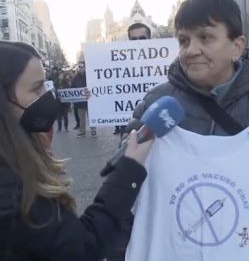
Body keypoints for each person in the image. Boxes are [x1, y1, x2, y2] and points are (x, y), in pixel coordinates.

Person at [109, 0, 249, 260]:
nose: (191, 50)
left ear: (237, 47)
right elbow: (126, 192)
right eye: (184, 40)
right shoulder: (156, 102)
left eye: (205, 37)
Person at [0, 41, 153, 261]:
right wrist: (128, 171)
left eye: (46, 85)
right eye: (37, 87)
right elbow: (82, 248)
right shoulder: (8, 187)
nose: (48, 95)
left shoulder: (18, 152)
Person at [114, 23, 151, 137]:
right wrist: (92, 96)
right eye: (134, 39)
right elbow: (107, 90)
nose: (138, 42)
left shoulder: (164, 63)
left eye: (142, 39)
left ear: (150, 40)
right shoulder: (117, 66)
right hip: (129, 127)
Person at [72, 62, 97, 137]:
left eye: (82, 67)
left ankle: (93, 130)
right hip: (80, 101)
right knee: (81, 118)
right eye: (79, 67)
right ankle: (82, 130)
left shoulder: (89, 76)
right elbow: (72, 88)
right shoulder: (75, 78)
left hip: (89, 100)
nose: (81, 68)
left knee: (91, 116)